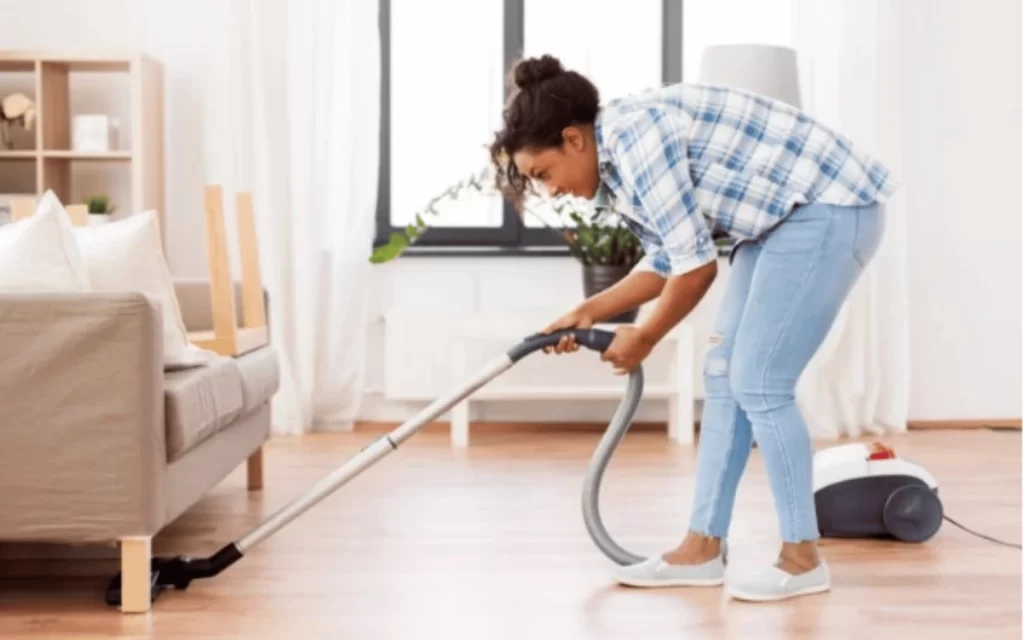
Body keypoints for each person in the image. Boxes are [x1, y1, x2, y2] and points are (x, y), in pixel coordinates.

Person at [488, 54, 899, 603]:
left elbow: (697, 268)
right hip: (776, 224)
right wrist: (590, 311)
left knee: (760, 381)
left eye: (543, 173)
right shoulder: (618, 168)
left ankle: (802, 559)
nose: (550, 191)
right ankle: (701, 549)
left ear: (574, 140)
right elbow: (669, 255)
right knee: (726, 372)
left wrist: (645, 337)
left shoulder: (636, 140)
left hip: (827, 207)